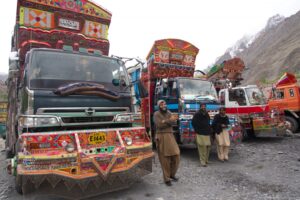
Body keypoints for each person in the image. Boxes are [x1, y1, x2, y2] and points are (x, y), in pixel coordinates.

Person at [153, 100, 180, 186]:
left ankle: (172, 174)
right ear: (159, 106)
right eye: (161, 104)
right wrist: (169, 121)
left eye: (164, 104)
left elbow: (174, 122)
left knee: (176, 155)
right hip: (161, 136)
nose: (163, 105)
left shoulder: (169, 112)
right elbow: (159, 125)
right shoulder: (156, 114)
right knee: (164, 159)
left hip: (170, 136)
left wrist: (165, 121)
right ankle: (167, 179)